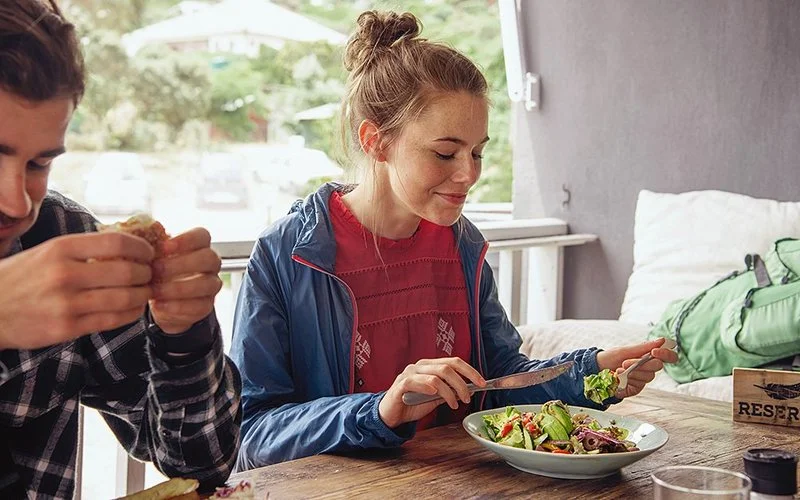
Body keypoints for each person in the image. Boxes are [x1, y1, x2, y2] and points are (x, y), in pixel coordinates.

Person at [230, 10, 677, 472]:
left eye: (478, 151)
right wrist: (381, 410)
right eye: (445, 153)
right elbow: (251, 434)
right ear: (375, 141)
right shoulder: (287, 255)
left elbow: (498, 378)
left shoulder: (463, 247)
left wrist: (593, 373)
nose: (469, 175)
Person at [0, 1, 241, 497]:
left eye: (38, 165)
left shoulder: (61, 235)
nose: (16, 200)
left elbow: (204, 463)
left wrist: (183, 335)